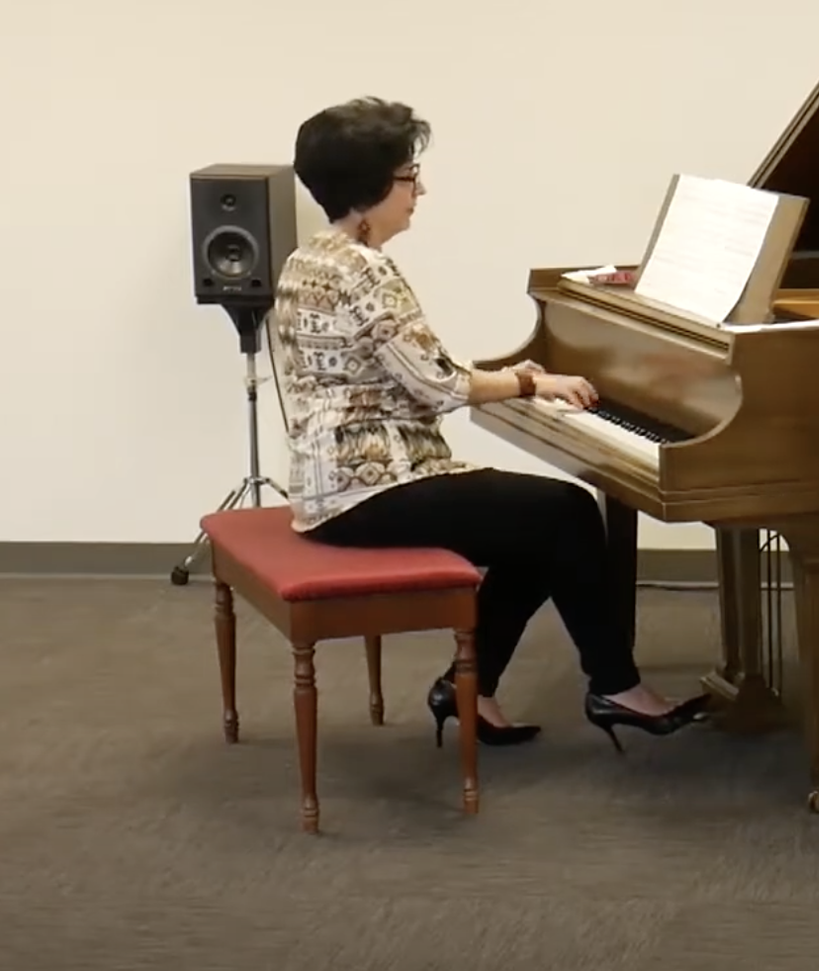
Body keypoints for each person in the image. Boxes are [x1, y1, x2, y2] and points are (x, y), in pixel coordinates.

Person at [270, 97, 710, 753]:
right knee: (564, 513)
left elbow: (404, 367)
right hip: (370, 489)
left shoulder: (312, 258)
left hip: (327, 484)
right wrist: (531, 381)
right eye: (408, 175)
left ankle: (470, 688)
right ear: (371, 189)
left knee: (535, 527)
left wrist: (512, 376)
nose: (421, 189)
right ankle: (616, 686)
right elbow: (438, 383)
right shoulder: (366, 271)